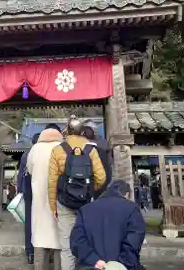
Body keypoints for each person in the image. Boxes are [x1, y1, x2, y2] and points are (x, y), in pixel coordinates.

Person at [48, 116, 106, 270]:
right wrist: (90, 191)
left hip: (64, 202)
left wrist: (53, 206)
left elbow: (52, 182)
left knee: (66, 246)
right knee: (87, 241)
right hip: (87, 203)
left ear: (67, 131)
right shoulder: (91, 149)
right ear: (82, 131)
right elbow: (101, 177)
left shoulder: (58, 150)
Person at [70, 180, 146, 270]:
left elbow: (77, 241)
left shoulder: (85, 210)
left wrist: (94, 260)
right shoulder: (132, 209)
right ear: (126, 194)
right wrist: (117, 266)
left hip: (90, 266)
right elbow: (133, 243)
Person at [27, 128, 63, 270]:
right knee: (58, 237)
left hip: (39, 198)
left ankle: (39, 266)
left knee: (40, 236)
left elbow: (30, 169)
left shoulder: (35, 149)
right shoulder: (61, 148)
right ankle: (58, 266)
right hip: (58, 198)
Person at [17, 132, 40, 264]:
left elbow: (21, 175)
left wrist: (20, 191)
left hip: (28, 191)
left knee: (29, 222)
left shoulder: (26, 155)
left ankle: (30, 251)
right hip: (43, 191)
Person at [80, 119, 112, 198]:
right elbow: (109, 163)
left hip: (86, 182)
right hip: (103, 181)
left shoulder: (82, 145)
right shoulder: (104, 144)